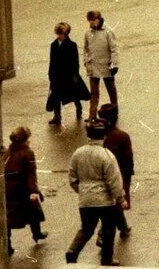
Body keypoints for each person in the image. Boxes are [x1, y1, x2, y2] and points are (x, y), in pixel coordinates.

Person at [65, 118, 125, 266]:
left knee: (86, 228)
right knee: (109, 229)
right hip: (105, 201)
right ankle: (107, 259)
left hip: (85, 200)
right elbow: (114, 180)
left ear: (88, 135)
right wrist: (120, 198)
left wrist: (82, 190)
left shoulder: (78, 154)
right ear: (103, 136)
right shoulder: (107, 155)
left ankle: (73, 251)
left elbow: (72, 177)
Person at [5, 126, 47, 255]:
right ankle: (37, 233)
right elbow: (31, 173)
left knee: (9, 217)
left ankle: (7, 244)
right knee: (34, 210)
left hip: (9, 188)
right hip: (23, 188)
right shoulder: (28, 152)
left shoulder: (8, 151)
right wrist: (34, 190)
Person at [97, 105, 134, 243]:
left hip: (101, 175)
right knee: (115, 204)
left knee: (113, 203)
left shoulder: (97, 135)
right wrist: (129, 175)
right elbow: (128, 158)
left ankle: (123, 227)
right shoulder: (122, 136)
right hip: (119, 174)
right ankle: (102, 235)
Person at [48, 21, 91, 126]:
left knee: (74, 94)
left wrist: (75, 74)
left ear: (66, 34)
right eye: (58, 34)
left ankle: (78, 108)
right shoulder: (53, 45)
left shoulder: (72, 45)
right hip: (57, 75)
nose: (59, 36)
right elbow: (52, 61)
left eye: (61, 34)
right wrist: (50, 74)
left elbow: (75, 61)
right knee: (56, 96)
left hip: (69, 74)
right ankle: (57, 116)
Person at [84, 10, 119, 110]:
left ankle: (114, 109)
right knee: (94, 92)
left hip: (106, 66)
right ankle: (92, 115)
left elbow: (114, 49)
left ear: (98, 19)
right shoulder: (88, 33)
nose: (91, 23)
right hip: (93, 67)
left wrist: (114, 64)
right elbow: (86, 49)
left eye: (93, 20)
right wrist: (86, 62)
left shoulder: (108, 32)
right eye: (89, 21)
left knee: (111, 89)